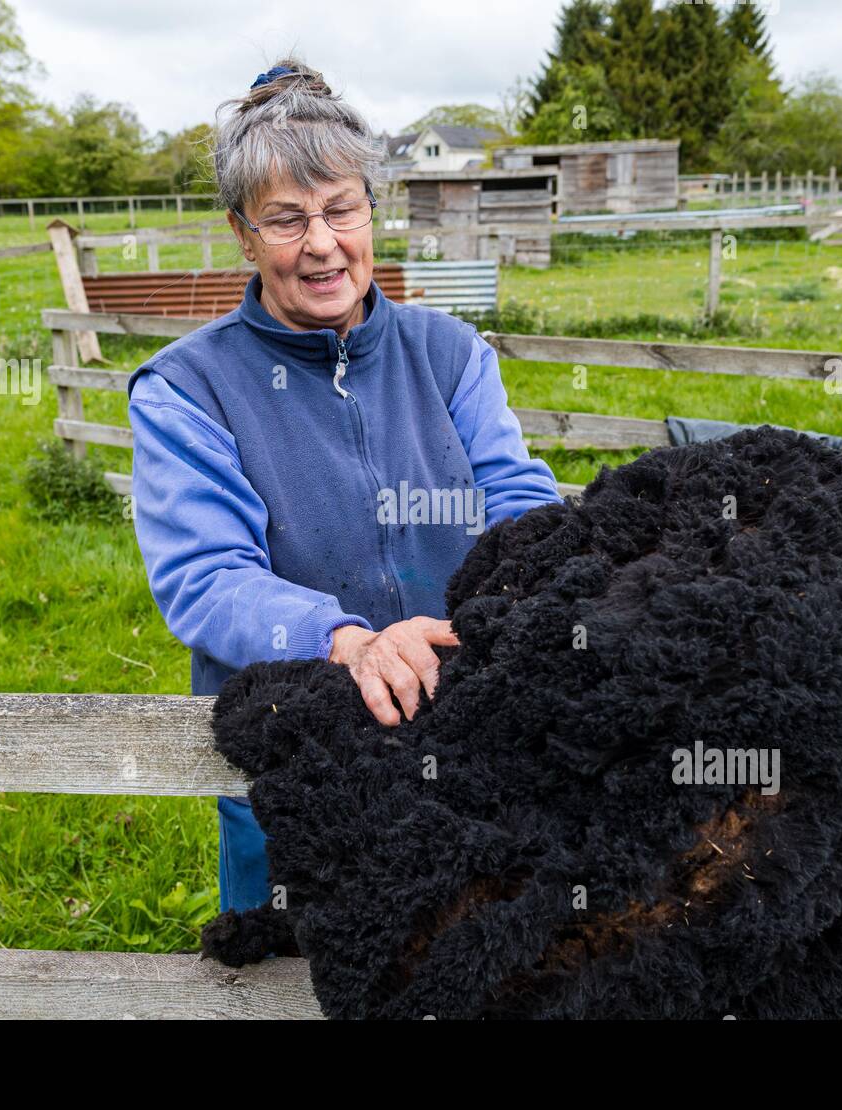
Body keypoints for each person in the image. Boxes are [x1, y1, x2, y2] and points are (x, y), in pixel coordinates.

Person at [126, 57, 563, 914]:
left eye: (340, 209)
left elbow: (518, 503)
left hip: (458, 720)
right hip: (295, 743)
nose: (322, 243)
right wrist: (350, 642)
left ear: (372, 209)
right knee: (290, 971)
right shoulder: (187, 388)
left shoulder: (449, 355)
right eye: (286, 220)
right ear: (242, 234)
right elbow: (208, 577)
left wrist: (502, 612)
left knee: (471, 943)